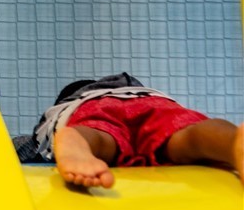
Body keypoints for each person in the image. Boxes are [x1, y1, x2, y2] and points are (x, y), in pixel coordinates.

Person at [17, 73, 243, 189]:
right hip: (152, 101)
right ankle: (232, 141)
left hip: (89, 106)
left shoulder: (68, 105)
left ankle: (78, 140)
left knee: (100, 136)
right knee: (188, 136)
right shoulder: (139, 91)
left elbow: (22, 147)